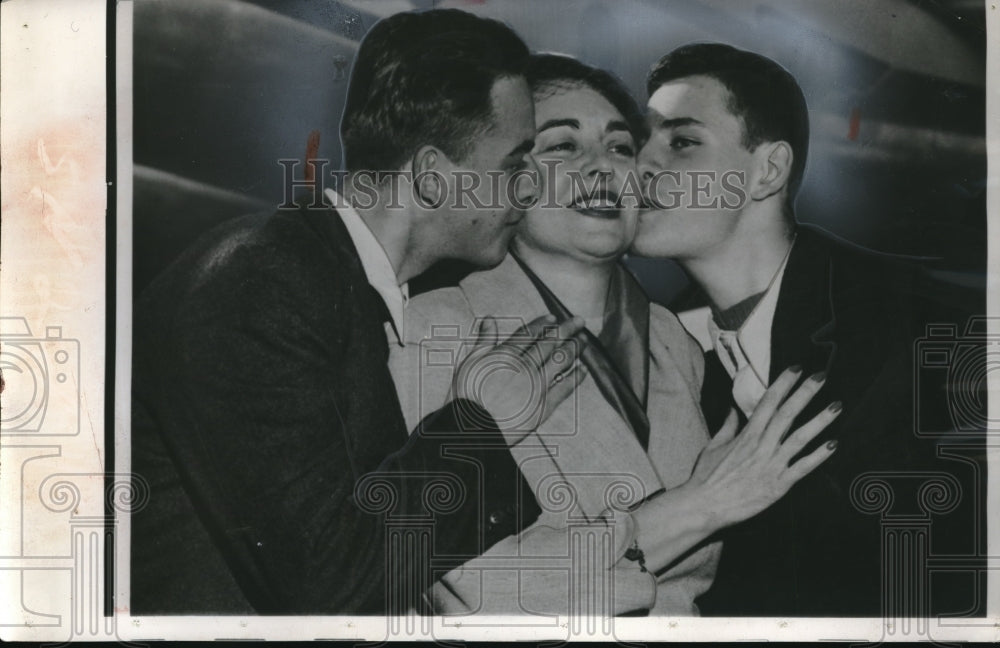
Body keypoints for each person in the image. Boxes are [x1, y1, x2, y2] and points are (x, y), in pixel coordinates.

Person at [130, 9, 591, 615]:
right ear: (433, 177)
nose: (529, 189)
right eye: (513, 164)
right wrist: (483, 424)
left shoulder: (337, 284)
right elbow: (326, 585)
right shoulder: (264, 282)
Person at [392, 53, 841, 616]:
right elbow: (474, 586)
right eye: (561, 146)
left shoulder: (678, 343)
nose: (602, 168)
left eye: (621, 147)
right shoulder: (437, 329)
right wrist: (702, 505)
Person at [634, 43, 985, 616]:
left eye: (681, 142)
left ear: (767, 170)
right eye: (640, 142)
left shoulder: (925, 323)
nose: (641, 166)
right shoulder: (656, 352)